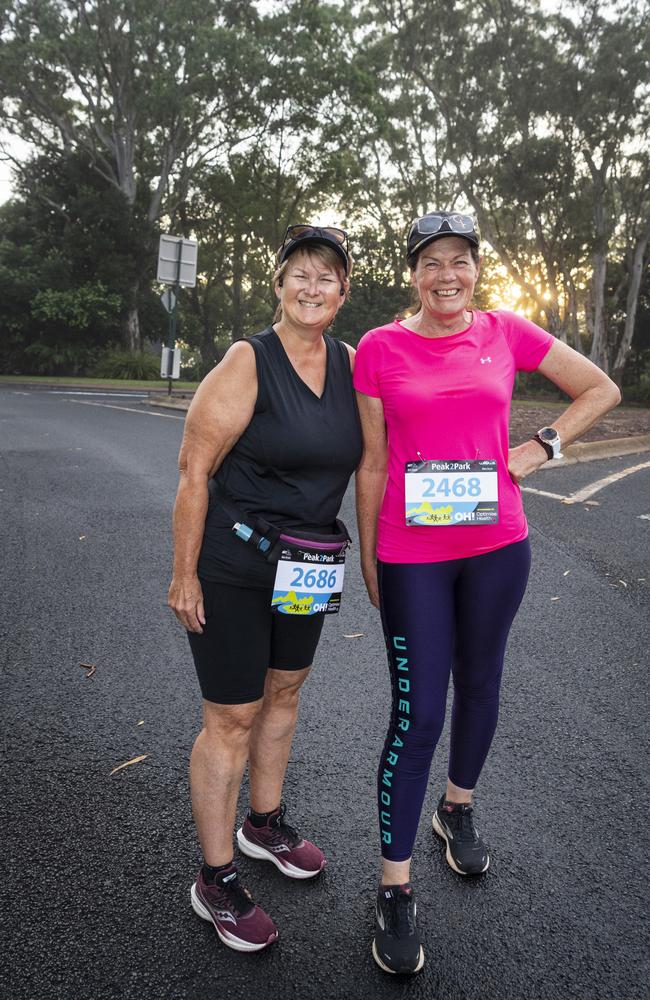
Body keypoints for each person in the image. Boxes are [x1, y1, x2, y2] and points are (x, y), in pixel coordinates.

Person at [353, 210, 621, 975]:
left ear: (476, 268)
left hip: (498, 548)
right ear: (413, 272)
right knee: (419, 711)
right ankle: (395, 887)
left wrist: (542, 447)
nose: (447, 275)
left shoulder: (506, 331)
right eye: (431, 262)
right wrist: (372, 555)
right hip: (413, 555)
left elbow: (599, 389)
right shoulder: (379, 348)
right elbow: (372, 462)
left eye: (459, 261)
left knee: (481, 685)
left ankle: (457, 807)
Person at [168, 224, 361, 953]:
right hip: (237, 564)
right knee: (232, 719)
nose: (313, 287)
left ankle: (264, 823)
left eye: (328, 276)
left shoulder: (349, 363)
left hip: (308, 566)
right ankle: (214, 878)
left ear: (344, 291)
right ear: (278, 283)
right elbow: (193, 473)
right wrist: (184, 574)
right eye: (299, 274)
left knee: (284, 693)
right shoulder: (248, 361)